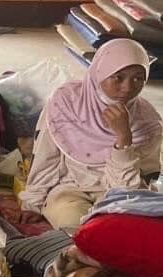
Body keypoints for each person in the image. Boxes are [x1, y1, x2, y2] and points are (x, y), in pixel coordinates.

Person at [19, 39, 161, 232]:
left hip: (117, 194)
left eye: (138, 79)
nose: (127, 88)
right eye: (118, 77)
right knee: (72, 224)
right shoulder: (66, 102)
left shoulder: (148, 122)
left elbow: (129, 191)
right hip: (69, 188)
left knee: (117, 229)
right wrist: (33, 202)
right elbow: (46, 157)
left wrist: (123, 138)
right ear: (99, 72)